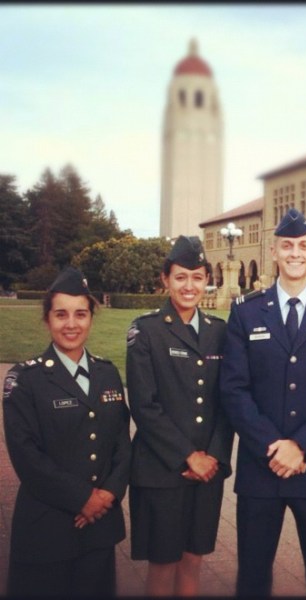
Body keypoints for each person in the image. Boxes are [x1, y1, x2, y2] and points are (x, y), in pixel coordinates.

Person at [220, 208, 306, 597]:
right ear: (274, 251)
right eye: (287, 246)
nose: (295, 253)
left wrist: (300, 446)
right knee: (252, 576)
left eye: (303, 246)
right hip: (260, 467)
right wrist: (273, 446)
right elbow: (234, 388)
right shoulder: (247, 311)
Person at [2, 266, 131, 597]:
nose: (71, 324)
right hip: (48, 528)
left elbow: (121, 443)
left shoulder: (107, 373)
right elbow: (27, 457)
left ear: (91, 318)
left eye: (80, 314)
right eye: (61, 314)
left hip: (99, 528)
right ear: (47, 319)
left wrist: (108, 494)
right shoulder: (24, 380)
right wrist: (83, 498)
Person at [126, 235, 233, 596]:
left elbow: (227, 402)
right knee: (163, 563)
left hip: (208, 473)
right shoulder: (147, 331)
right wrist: (189, 457)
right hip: (162, 470)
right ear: (166, 279)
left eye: (198, 277)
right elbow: (144, 406)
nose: (190, 286)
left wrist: (214, 456)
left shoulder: (221, 332)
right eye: (181, 277)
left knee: (193, 559)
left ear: (207, 280)